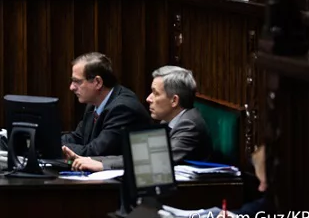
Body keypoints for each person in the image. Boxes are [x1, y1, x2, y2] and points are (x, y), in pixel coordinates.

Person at [65, 65, 212, 171]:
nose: (148, 99)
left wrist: (102, 165)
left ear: (174, 100)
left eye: (155, 93)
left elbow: (156, 160)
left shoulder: (189, 125)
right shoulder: (170, 120)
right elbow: (138, 156)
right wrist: (91, 160)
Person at [60, 52, 152, 157]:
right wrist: (50, 142)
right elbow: (78, 137)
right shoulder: (93, 104)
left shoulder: (123, 109)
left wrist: (57, 147)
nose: (71, 87)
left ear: (98, 82)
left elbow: (94, 153)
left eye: (77, 81)